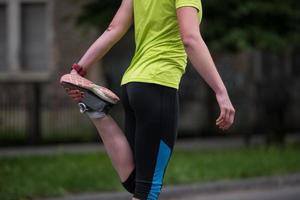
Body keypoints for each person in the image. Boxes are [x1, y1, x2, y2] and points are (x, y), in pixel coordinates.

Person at [64, 0, 235, 199]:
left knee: (135, 181)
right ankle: (97, 110)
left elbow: (112, 29)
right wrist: (221, 92)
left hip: (133, 84)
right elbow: (190, 38)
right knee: (148, 189)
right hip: (159, 86)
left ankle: (97, 111)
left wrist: (78, 71)